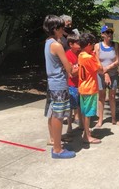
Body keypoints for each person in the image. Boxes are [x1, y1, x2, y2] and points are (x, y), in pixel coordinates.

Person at [43, 15, 76, 159]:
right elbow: (69, 69)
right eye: (62, 27)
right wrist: (78, 65)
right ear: (55, 29)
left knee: (53, 113)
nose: (64, 29)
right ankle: (57, 149)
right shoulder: (57, 45)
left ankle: (55, 143)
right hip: (59, 84)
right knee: (58, 115)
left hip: (52, 83)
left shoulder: (48, 42)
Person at [95, 26, 119, 127]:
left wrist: (107, 69)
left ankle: (114, 118)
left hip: (113, 74)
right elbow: (97, 61)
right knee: (101, 97)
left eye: (111, 32)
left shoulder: (115, 45)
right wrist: (105, 73)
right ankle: (100, 119)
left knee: (112, 97)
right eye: (107, 32)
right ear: (102, 34)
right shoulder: (97, 46)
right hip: (101, 74)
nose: (110, 34)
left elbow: (117, 61)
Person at [78, 33, 103, 144]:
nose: (93, 46)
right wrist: (96, 55)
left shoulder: (81, 55)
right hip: (90, 88)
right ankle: (87, 136)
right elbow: (100, 69)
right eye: (92, 44)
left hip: (82, 87)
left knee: (84, 112)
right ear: (88, 44)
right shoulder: (89, 57)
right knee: (88, 114)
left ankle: (86, 132)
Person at [65, 34, 83, 137]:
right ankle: (69, 127)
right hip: (71, 84)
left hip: (81, 84)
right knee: (70, 106)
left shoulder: (81, 53)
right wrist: (81, 67)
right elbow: (72, 73)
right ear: (71, 44)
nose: (79, 44)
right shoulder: (68, 55)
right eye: (77, 42)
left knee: (80, 105)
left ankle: (80, 123)